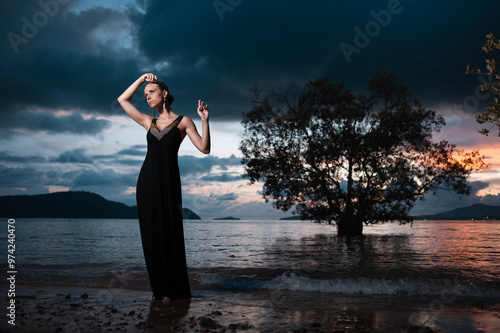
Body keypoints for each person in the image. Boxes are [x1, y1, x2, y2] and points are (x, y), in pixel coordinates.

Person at [117, 73, 210, 304]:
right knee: (151, 236)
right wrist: (140, 80)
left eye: (151, 92)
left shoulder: (184, 121)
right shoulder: (150, 122)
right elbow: (122, 100)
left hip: (169, 184)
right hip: (147, 183)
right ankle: (159, 290)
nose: (147, 97)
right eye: (145, 94)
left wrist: (205, 120)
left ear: (164, 94)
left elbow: (204, 148)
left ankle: (174, 289)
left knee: (170, 233)